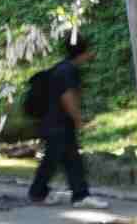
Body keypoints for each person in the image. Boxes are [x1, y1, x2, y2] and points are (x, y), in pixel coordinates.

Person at [30, 38, 107, 209]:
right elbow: (68, 97)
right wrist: (78, 120)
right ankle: (37, 192)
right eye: (89, 50)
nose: (91, 54)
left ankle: (80, 195)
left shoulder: (62, 67)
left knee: (71, 159)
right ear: (84, 52)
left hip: (54, 123)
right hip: (58, 124)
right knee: (52, 160)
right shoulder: (68, 70)